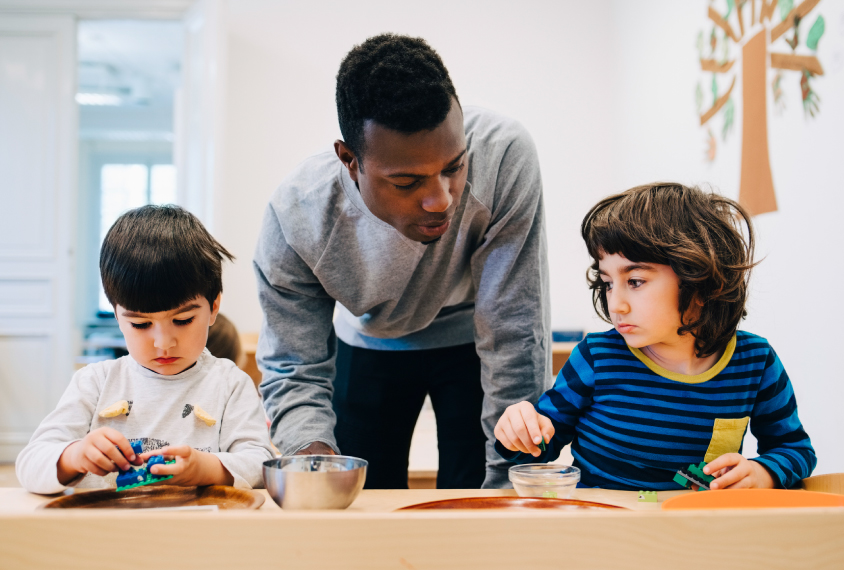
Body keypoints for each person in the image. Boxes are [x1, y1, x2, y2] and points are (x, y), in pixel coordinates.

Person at [254, 33, 550, 489]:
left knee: (477, 498)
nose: (440, 200)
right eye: (407, 182)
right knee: (357, 502)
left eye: (454, 167)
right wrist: (312, 460)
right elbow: (294, 363)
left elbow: (514, 325)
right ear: (350, 161)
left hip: (472, 337)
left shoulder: (502, 155)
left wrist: (509, 486)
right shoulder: (299, 217)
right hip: (368, 342)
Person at [495, 183, 816, 490]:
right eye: (608, 283)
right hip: (601, 526)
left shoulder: (755, 362)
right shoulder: (597, 356)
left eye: (634, 281)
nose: (615, 304)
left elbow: (796, 449)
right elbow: (537, 448)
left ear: (702, 282)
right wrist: (519, 430)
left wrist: (763, 473)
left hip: (694, 531)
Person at [16, 205, 274, 494]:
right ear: (117, 316)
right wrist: (75, 456)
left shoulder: (230, 384)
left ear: (214, 307)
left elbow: (261, 464)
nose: (163, 342)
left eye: (183, 320)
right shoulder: (95, 383)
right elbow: (30, 465)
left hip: (198, 531)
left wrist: (206, 468)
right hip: (106, 532)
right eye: (140, 324)